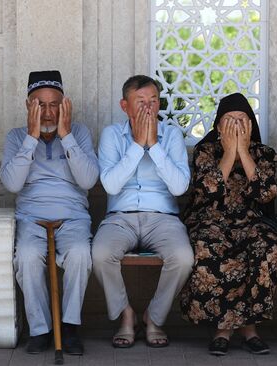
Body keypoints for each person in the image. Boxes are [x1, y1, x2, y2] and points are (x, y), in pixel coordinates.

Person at [0, 70, 99, 355]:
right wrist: (31, 138)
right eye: (39, 104)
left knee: (80, 253)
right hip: (31, 218)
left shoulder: (79, 133)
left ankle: (69, 327)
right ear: (27, 105)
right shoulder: (16, 136)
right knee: (27, 257)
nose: (47, 112)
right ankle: (41, 329)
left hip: (73, 217)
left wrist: (66, 136)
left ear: (65, 105)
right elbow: (12, 183)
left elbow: (88, 180)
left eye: (53, 104)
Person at [92, 75, 194, 348]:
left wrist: (155, 147)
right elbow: (111, 185)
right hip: (120, 218)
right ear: (124, 106)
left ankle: (154, 316)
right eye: (141, 103)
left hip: (163, 219)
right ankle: (126, 315)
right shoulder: (112, 135)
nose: (149, 109)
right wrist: (137, 146)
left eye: (153, 101)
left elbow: (179, 187)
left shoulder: (171, 135)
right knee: (101, 254)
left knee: (183, 258)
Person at [180, 93, 277, 356]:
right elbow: (208, 191)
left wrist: (244, 153)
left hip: (251, 222)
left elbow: (266, 193)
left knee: (268, 248)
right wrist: (229, 152)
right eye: (229, 121)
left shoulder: (264, 153)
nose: (236, 126)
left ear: (251, 125)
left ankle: (250, 328)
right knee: (208, 249)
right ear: (217, 127)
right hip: (210, 221)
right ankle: (222, 330)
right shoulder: (205, 152)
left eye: (242, 120)